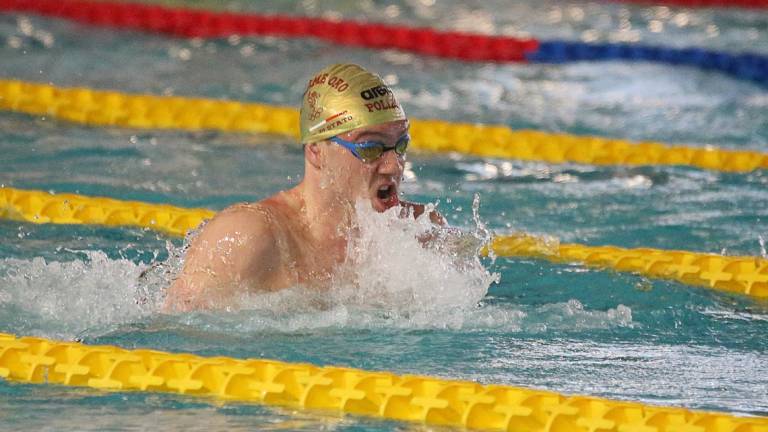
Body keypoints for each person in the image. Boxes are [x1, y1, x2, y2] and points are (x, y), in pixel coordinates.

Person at [163, 63, 443, 311]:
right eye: (370, 148)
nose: (394, 166)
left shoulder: (419, 232)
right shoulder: (250, 237)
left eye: (400, 145)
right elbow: (177, 339)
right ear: (316, 151)